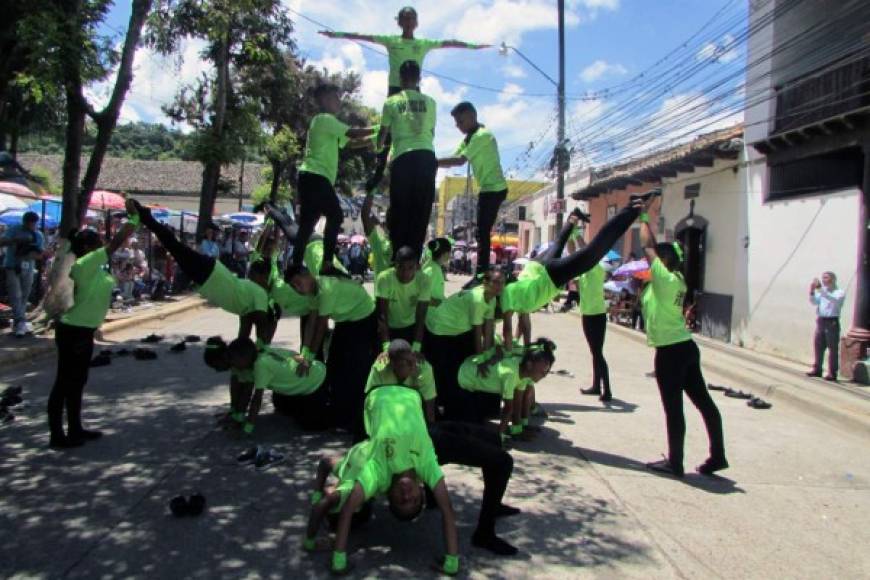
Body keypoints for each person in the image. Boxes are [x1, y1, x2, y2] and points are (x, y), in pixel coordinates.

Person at [304, 385, 459, 576]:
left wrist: (339, 559)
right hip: (410, 391)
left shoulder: (379, 473)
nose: (406, 495)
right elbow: (447, 510)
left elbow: (348, 508)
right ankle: (328, 487)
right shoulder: (426, 466)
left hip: (377, 393)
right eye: (414, 499)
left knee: (336, 468)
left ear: (388, 495)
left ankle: (326, 489)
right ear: (421, 489)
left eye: (401, 501)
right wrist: (451, 561)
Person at [638, 200, 727, 477]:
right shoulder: (673, 280)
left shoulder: (665, 279)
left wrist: (642, 214)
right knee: (703, 402)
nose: (649, 264)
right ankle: (718, 455)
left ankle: (675, 462)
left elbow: (648, 246)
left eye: (655, 261)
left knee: (674, 409)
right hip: (685, 347)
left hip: (671, 353)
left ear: (664, 262)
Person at [47, 208, 137, 448]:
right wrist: (135, 220)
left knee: (77, 381)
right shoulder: (85, 264)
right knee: (65, 382)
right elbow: (114, 244)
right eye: (97, 243)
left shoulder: (93, 267)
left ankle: (75, 429)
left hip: (84, 330)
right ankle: (57, 435)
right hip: (73, 331)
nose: (101, 246)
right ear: (87, 248)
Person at [499, 201, 643, 350]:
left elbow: (508, 330)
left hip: (550, 277)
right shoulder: (516, 295)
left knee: (593, 252)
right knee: (559, 242)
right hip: (535, 267)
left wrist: (509, 350)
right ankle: (574, 217)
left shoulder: (506, 300)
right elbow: (524, 323)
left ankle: (630, 210)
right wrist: (526, 346)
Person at [128, 200, 273, 343]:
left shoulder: (248, 306)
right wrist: (264, 345)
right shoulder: (261, 296)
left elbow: (244, 335)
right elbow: (262, 325)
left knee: (174, 247)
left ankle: (147, 218)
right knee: (174, 247)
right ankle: (146, 217)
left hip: (208, 278)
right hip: (212, 274)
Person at [291, 84, 376, 277]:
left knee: (307, 224)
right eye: (335, 97)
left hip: (311, 177)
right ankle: (327, 263)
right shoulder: (324, 119)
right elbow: (353, 133)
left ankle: (295, 265)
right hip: (316, 175)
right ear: (324, 100)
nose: (339, 101)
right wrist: (380, 128)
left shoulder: (327, 125)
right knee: (336, 216)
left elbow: (352, 144)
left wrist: (375, 139)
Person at [320, 6, 487, 96]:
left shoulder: (423, 43)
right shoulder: (391, 41)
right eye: (405, 18)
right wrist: (335, 35)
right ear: (399, 22)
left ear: (416, 22)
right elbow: (361, 36)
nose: (408, 21)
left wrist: (474, 46)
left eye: (412, 18)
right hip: (395, 88)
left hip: (414, 89)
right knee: (391, 129)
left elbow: (450, 42)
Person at [288, 268, 379, 430]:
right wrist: (305, 353)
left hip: (363, 318)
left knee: (355, 369)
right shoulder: (313, 291)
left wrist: (309, 359)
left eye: (298, 282)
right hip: (345, 320)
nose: (298, 289)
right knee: (334, 364)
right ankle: (339, 412)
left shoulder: (326, 290)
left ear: (307, 275)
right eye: (293, 287)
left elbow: (321, 327)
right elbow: (311, 323)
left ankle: (354, 419)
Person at [438, 102, 507, 279]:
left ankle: (481, 275)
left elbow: (460, 160)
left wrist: (432, 162)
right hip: (487, 189)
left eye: (460, 121)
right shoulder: (469, 137)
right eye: (456, 122)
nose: (457, 126)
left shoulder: (482, 136)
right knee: (481, 232)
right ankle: (481, 273)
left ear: (471, 116)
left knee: (482, 232)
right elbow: (455, 156)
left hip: (495, 189)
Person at [204, 336, 328, 434]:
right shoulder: (249, 360)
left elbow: (256, 399)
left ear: (242, 358)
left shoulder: (260, 364)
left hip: (316, 382)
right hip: (303, 382)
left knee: (310, 425)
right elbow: (245, 394)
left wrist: (248, 429)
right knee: (281, 406)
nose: (217, 370)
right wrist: (238, 418)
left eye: (216, 366)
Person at [424, 270, 504, 419]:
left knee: (466, 365)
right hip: (442, 328)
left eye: (502, 283)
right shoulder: (478, 299)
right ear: (485, 283)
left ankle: (464, 408)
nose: (499, 286)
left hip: (460, 328)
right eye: (496, 282)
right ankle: (443, 410)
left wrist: (490, 354)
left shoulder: (491, 299)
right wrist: (481, 360)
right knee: (447, 371)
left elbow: (488, 329)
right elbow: (477, 331)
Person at [378, 60, 437, 259]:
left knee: (400, 209)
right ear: (419, 78)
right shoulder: (431, 102)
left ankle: (398, 257)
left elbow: (382, 136)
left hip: (403, 157)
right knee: (421, 210)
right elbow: (432, 132)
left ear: (401, 78)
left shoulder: (391, 102)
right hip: (427, 157)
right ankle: (414, 261)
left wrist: (380, 148)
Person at [457, 338, 555, 441]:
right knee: (469, 426)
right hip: (462, 379)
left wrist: (517, 430)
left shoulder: (524, 372)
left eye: (547, 372)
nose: (545, 375)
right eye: (543, 371)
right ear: (529, 365)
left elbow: (518, 403)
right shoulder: (511, 373)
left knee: (480, 419)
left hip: (473, 383)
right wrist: (500, 438)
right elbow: (508, 409)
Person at [366, 339, 437, 423]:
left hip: (414, 420)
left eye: (412, 360)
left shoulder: (423, 369)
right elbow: (371, 406)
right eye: (406, 363)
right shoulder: (379, 369)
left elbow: (430, 412)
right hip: (388, 418)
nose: (412, 366)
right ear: (392, 364)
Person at [375, 245, 432, 347]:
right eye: (401, 267)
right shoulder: (384, 278)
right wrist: (386, 345)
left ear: (417, 267)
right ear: (395, 265)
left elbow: (421, 316)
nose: (405, 272)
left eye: (410, 267)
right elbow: (382, 315)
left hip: (411, 327)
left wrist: (417, 346)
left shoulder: (424, 281)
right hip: (388, 328)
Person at [576, 254, 614, 402]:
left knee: (598, 353)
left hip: (597, 315)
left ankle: (608, 390)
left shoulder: (597, 269)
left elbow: (588, 252)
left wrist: (578, 235)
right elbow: (576, 253)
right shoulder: (584, 273)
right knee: (594, 352)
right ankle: (596, 386)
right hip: (586, 314)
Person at [1, 211, 43, 337]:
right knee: (15, 294)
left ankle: (19, 321)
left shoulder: (38, 235)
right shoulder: (14, 230)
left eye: (32, 223)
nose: (30, 225)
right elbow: (2, 241)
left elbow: (40, 254)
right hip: (12, 266)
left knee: (25, 295)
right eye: (28, 223)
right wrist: (14, 240)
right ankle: (20, 321)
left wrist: (31, 253)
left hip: (28, 267)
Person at [807, 272, 846, 381]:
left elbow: (833, 299)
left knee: (832, 348)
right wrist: (812, 291)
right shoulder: (822, 291)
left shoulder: (839, 292)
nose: (824, 280)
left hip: (832, 322)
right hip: (821, 320)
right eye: (823, 278)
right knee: (818, 346)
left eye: (826, 277)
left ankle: (832, 373)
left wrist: (820, 289)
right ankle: (817, 369)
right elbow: (814, 302)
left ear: (833, 279)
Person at [361, 191, 392, 276]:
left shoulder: (406, 243)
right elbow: (365, 215)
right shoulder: (379, 242)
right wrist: (372, 189)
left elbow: (365, 215)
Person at [423, 237, 452, 306]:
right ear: (445, 253)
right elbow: (419, 295)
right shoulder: (432, 270)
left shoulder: (433, 266)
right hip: (429, 315)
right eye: (450, 252)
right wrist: (439, 303)